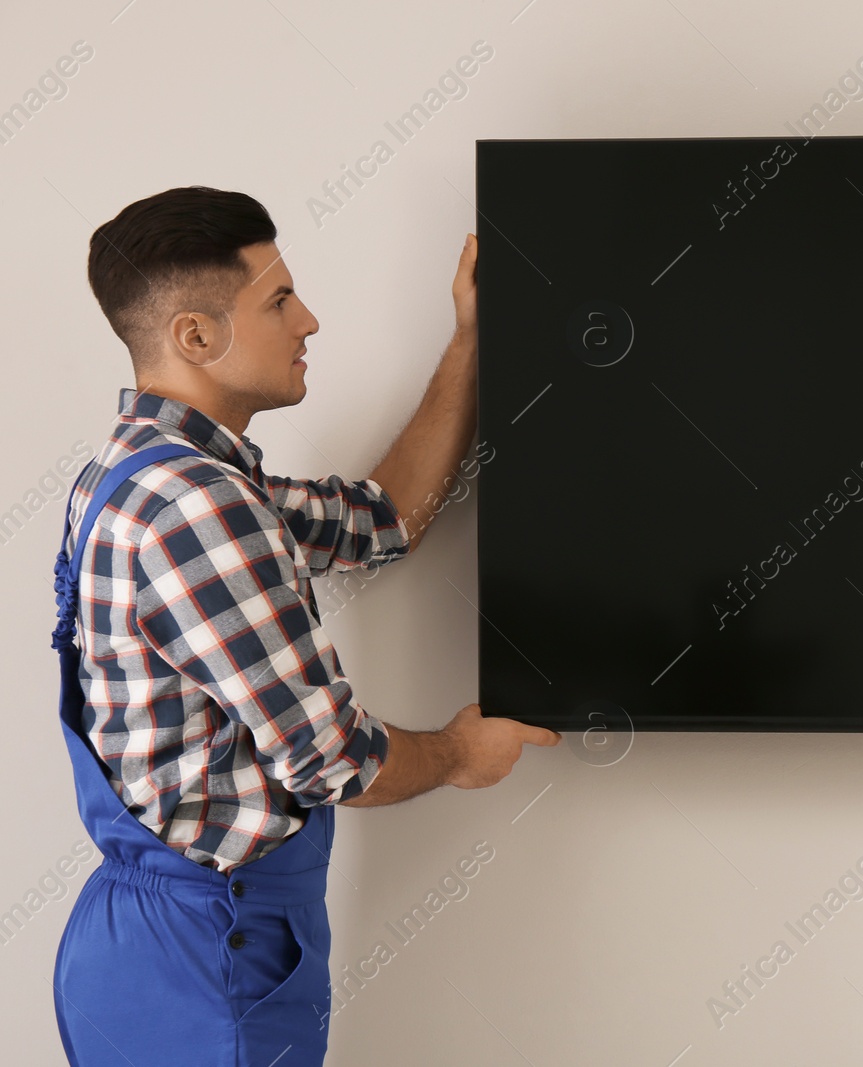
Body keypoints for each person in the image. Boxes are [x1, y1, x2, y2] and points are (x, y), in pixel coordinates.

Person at [48, 185, 559, 1067]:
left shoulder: (134, 476)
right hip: (212, 953)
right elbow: (335, 760)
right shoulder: (201, 508)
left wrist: (471, 340)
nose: (309, 320)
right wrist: (460, 752)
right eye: (279, 300)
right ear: (196, 336)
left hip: (134, 944)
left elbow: (384, 515)